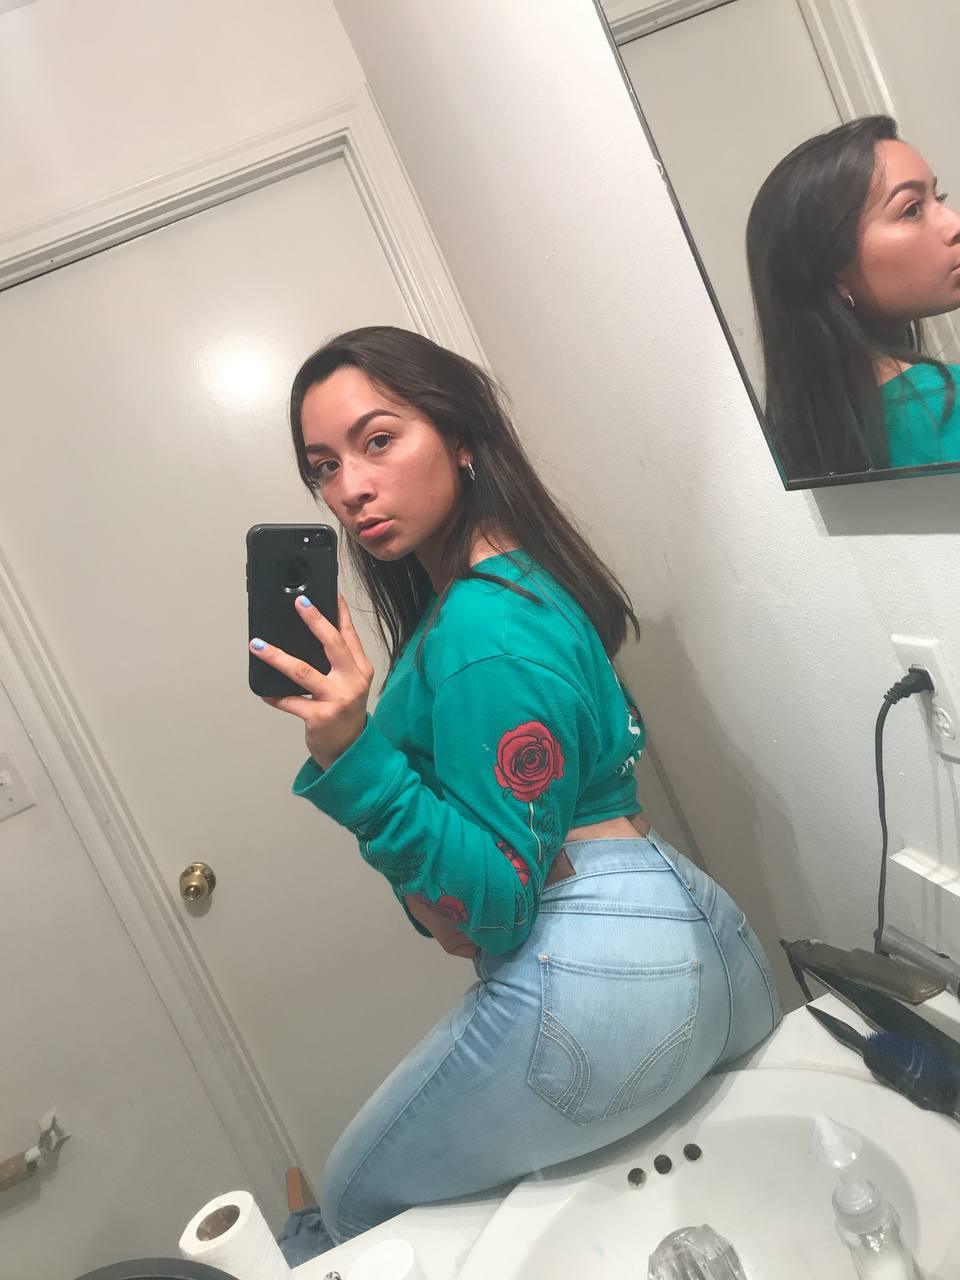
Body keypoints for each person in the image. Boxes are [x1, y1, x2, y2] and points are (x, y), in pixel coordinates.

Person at [251, 326, 781, 1261]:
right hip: (696, 924)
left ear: (461, 437)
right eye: (323, 467)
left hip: (601, 959)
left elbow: (495, 908)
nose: (349, 488)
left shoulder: (480, 625)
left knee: (356, 1202)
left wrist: (351, 753)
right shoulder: (526, 586)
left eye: (379, 441)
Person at [746, 115, 960, 481]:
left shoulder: (782, 452)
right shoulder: (946, 408)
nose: (954, 225)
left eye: (937, 197)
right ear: (834, 269)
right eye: (911, 209)